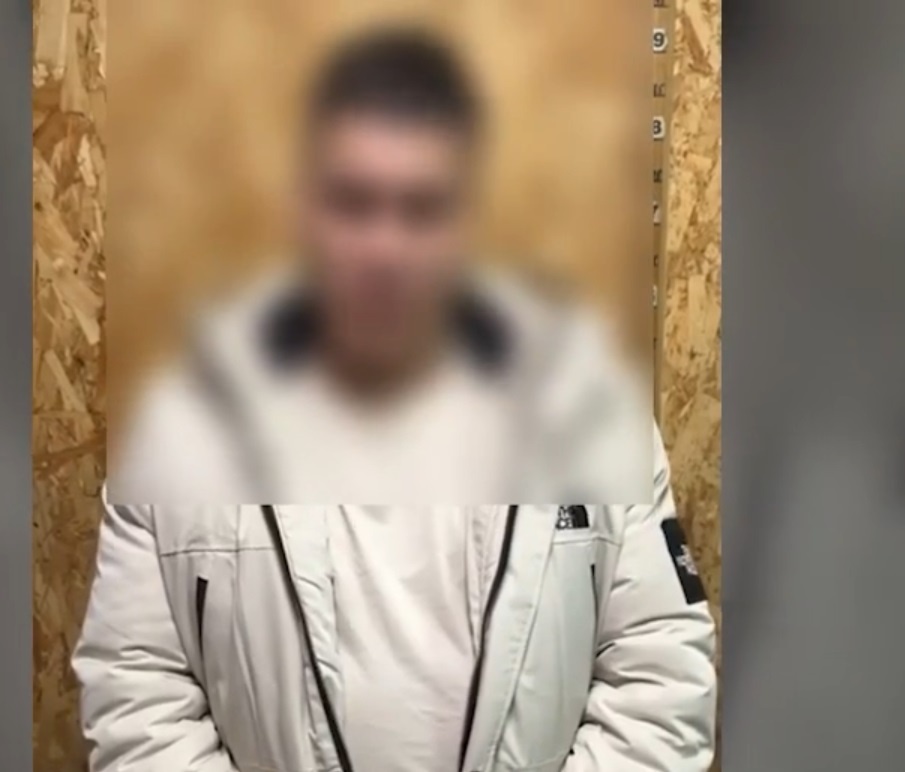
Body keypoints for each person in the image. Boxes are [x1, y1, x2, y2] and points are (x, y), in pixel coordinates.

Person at [74, 29, 717, 772]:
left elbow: (658, 677)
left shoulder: (586, 409)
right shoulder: (183, 423)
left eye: (422, 207)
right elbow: (137, 695)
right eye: (353, 203)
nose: (385, 248)